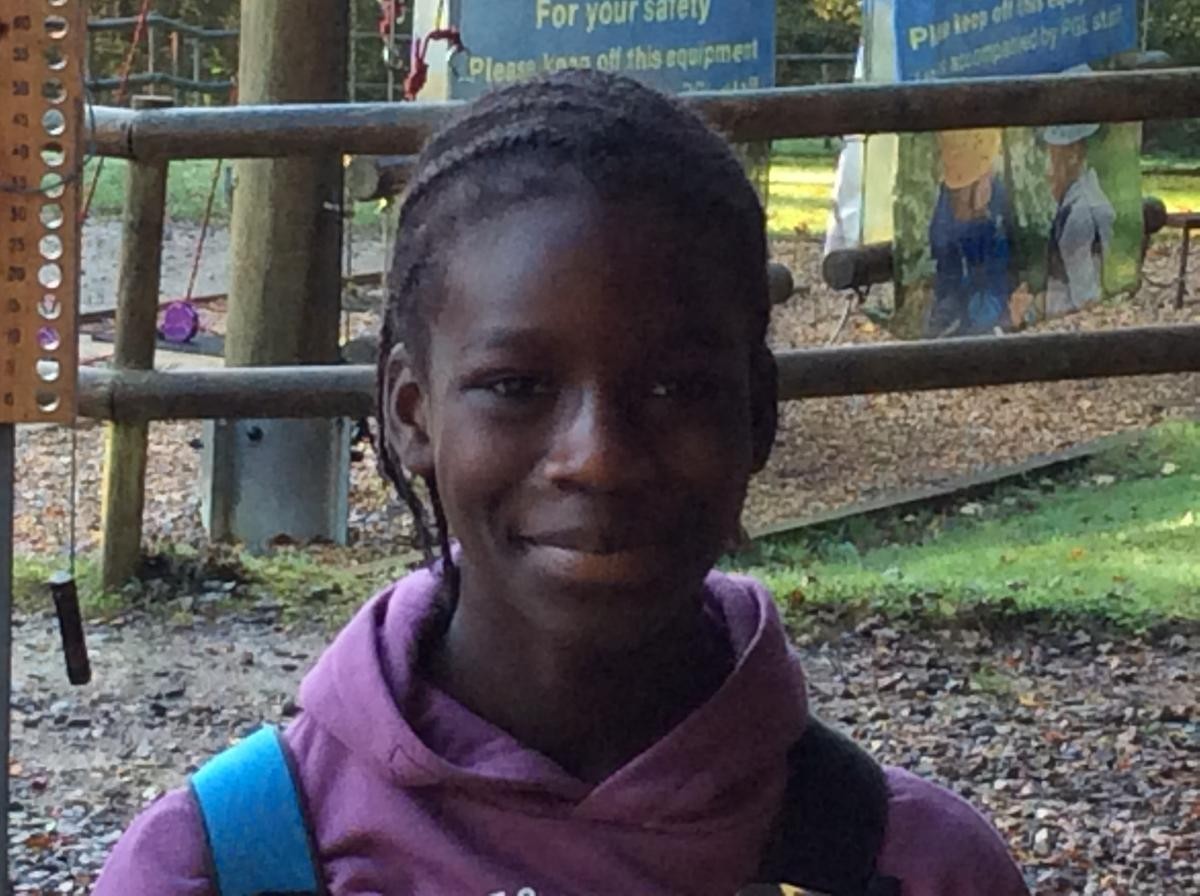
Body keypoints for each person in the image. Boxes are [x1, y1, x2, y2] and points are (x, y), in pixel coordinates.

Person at [93, 70, 1031, 895]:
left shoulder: (917, 870)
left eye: (674, 387)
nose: (598, 457)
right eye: (517, 387)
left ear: (758, 413)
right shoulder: (211, 869)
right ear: (412, 413)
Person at [926, 128, 1021, 337]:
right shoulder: (945, 215)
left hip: (991, 312)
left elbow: (1000, 272)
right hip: (960, 314)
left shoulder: (997, 201)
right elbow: (946, 274)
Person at [1043, 121, 1115, 316]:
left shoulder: (1079, 214)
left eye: (1053, 157)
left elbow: (1085, 298)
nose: (1048, 170)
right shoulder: (1087, 198)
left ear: (1072, 156)